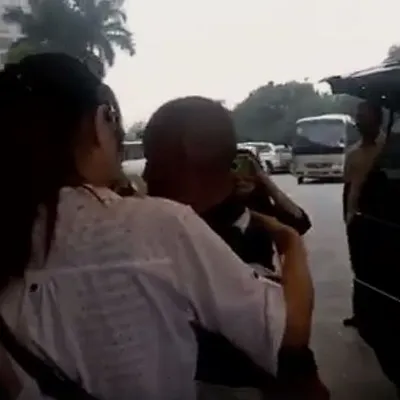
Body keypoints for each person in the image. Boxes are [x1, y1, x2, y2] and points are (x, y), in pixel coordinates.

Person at [0, 54, 311, 400]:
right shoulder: (159, 225)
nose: (146, 173)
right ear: (102, 119)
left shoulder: (11, 233)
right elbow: (290, 331)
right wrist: (291, 242)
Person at [143, 96, 328, 399]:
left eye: (153, 160)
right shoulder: (157, 231)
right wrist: (291, 244)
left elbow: (290, 337)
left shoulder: (234, 230)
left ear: (185, 156)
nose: (146, 175)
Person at [342, 101, 385, 327]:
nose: (360, 122)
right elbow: (348, 188)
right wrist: (348, 217)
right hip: (358, 218)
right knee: (360, 267)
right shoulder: (353, 153)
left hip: (383, 216)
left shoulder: (387, 149)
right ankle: (361, 314)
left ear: (378, 120)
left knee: (383, 265)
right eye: (358, 117)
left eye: (365, 116)